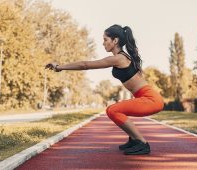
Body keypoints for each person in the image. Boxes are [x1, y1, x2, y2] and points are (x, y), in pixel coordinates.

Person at [45, 24, 164, 155]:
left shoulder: (119, 58)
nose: (103, 43)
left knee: (113, 110)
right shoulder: (123, 56)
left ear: (115, 40)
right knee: (116, 110)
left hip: (151, 99)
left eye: (105, 39)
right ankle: (135, 140)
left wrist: (60, 67)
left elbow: (85, 65)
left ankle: (142, 143)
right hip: (147, 97)